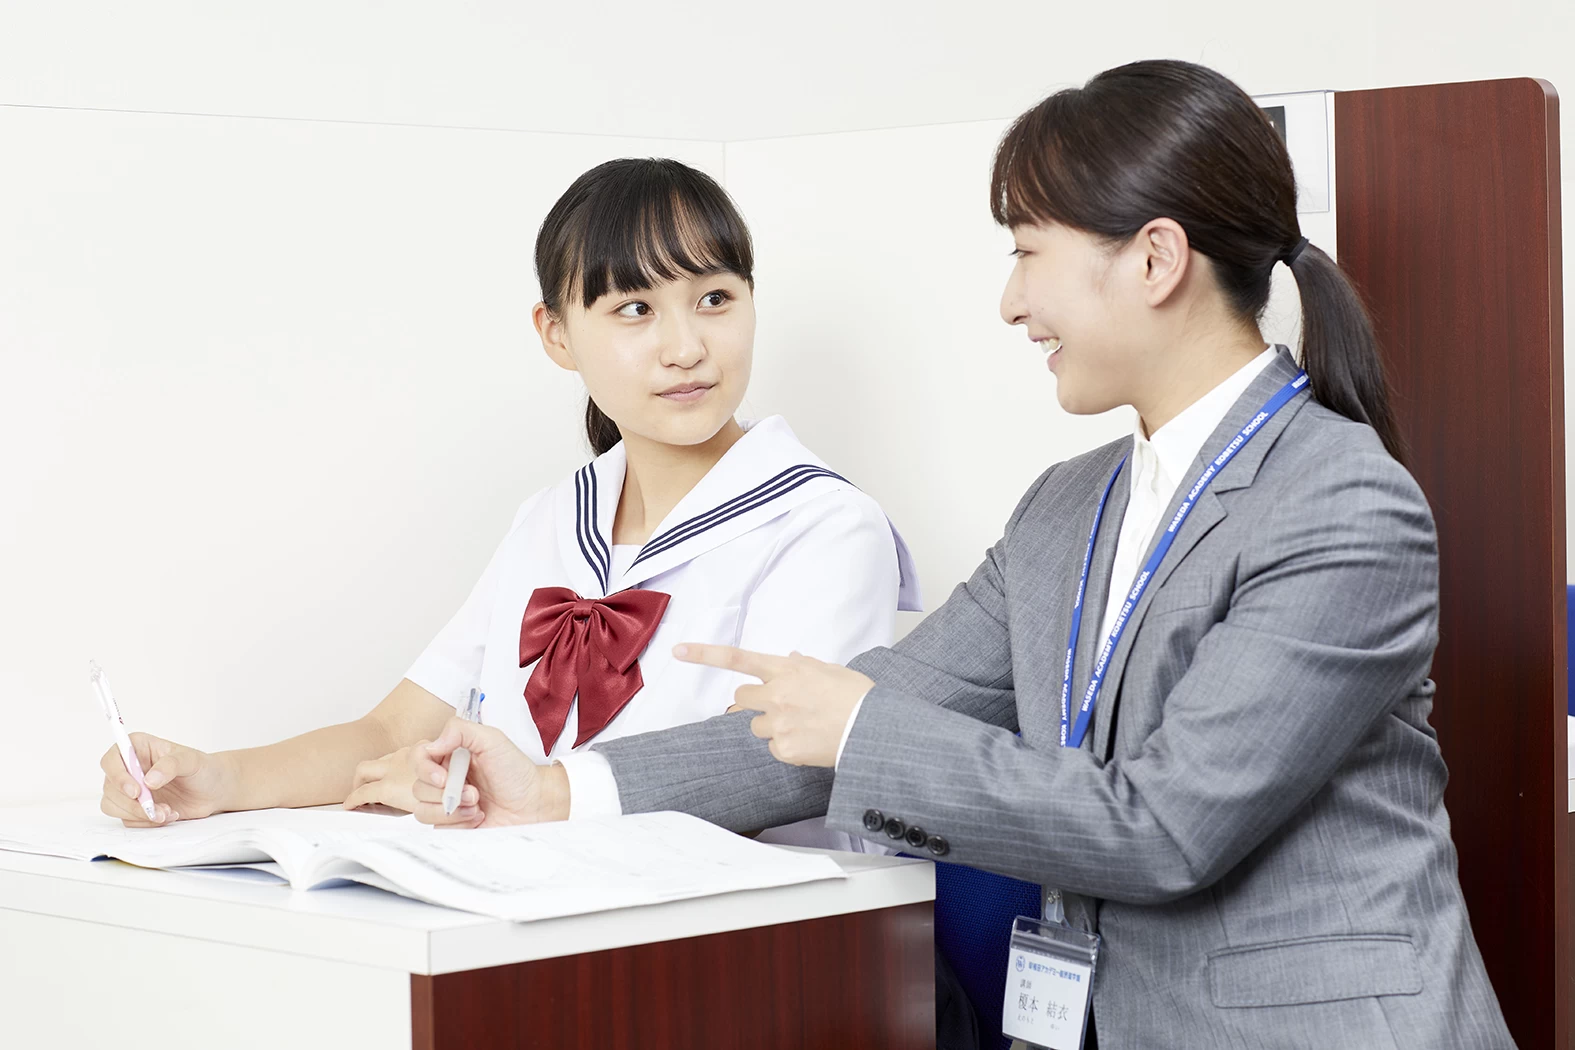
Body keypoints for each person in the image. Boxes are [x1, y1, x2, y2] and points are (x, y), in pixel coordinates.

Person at [405, 62, 1515, 1048]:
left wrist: (860, 724)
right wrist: (556, 789)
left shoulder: (1342, 502)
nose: (1011, 301)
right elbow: (850, 713)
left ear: (1155, 259)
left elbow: (1166, 827)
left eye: (1028, 253)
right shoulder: (1066, 507)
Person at [97, 157, 919, 853]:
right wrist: (218, 780)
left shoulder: (823, 527)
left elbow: (774, 771)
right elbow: (395, 731)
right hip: (534, 917)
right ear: (556, 334)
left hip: (748, 941)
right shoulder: (553, 518)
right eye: (634, 309)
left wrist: (515, 794)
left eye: (714, 299)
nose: (685, 347)